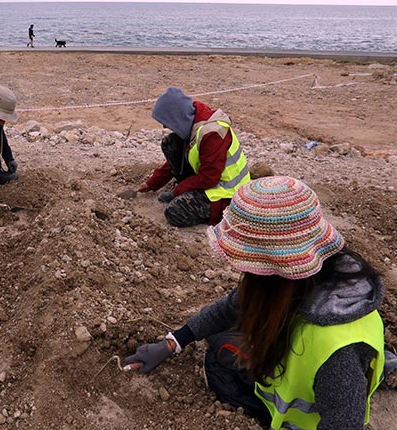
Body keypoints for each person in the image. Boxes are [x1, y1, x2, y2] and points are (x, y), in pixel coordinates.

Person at [125, 176, 394, 430]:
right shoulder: (318, 277)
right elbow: (234, 305)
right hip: (310, 360)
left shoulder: (337, 356)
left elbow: (345, 422)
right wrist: (173, 342)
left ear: (275, 267)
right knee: (220, 335)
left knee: (218, 362)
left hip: (305, 416)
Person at [138, 87, 250, 227]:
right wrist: (152, 183)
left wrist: (177, 192)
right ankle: (187, 192)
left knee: (176, 212)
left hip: (227, 195)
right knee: (171, 143)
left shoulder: (212, 133)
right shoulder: (193, 122)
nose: (164, 126)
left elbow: (208, 178)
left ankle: (224, 215)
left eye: (166, 121)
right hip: (210, 181)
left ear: (176, 116)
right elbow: (181, 157)